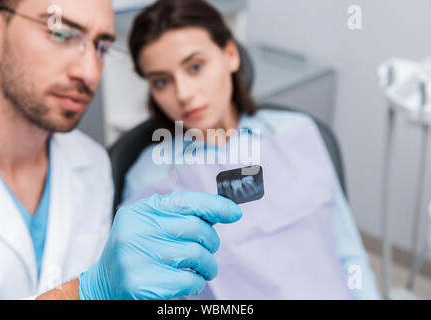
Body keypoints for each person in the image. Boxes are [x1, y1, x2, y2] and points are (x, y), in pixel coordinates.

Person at [0, 0, 242, 300]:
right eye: (62, 33)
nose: (90, 73)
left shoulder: (93, 164)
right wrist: (85, 292)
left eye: (101, 48)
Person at [122, 0, 381, 299]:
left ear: (230, 55)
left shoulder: (298, 132)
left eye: (195, 66)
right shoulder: (148, 181)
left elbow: (349, 253)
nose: (183, 93)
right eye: (161, 81)